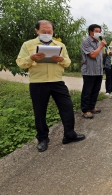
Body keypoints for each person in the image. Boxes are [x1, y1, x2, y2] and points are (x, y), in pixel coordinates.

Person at [16, 20, 85, 152]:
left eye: (50, 31)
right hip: (38, 83)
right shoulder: (28, 45)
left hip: (57, 81)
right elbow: (20, 63)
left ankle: (69, 135)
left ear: (53, 31)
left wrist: (61, 60)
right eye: (44, 32)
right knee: (40, 112)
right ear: (37, 31)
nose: (47, 34)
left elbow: (68, 62)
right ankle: (43, 138)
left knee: (67, 107)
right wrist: (31, 58)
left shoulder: (60, 45)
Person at [80, 24, 107, 119]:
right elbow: (92, 55)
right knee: (87, 91)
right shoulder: (86, 42)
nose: (98, 33)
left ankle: (92, 107)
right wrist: (101, 46)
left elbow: (100, 56)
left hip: (98, 71)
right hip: (89, 71)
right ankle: (85, 110)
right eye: (96, 31)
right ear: (90, 32)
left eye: (99, 31)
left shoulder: (98, 42)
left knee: (95, 90)